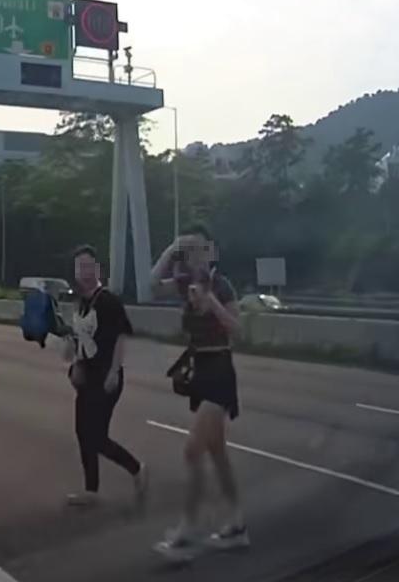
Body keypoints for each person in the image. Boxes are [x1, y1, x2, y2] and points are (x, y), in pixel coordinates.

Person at [151, 224, 249, 560]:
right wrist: (169, 250)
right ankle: (236, 525)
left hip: (220, 369)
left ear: (212, 252)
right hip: (200, 370)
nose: (194, 255)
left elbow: (239, 330)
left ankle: (187, 531)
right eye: (188, 249)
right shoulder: (184, 283)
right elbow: (149, 286)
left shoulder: (221, 285)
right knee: (217, 452)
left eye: (199, 248)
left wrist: (212, 304)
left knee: (193, 451)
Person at [63, 244, 147, 506]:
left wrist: (114, 371)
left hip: (106, 375)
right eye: (80, 266)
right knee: (82, 432)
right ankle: (91, 491)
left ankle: (136, 469)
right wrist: (74, 361)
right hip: (86, 375)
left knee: (96, 436)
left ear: (96, 268)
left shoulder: (108, 300)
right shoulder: (80, 302)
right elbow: (79, 340)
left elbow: (122, 335)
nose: (84, 271)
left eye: (88, 265)